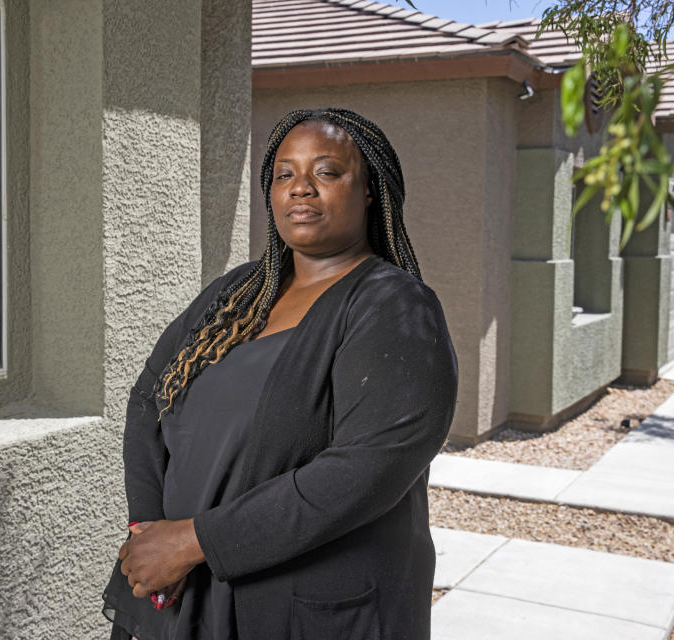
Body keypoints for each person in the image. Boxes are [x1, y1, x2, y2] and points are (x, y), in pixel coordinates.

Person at [102, 107, 458, 640]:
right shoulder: (237, 292)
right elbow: (148, 399)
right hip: (180, 591)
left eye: (326, 172)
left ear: (368, 189)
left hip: (304, 610)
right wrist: (150, 532)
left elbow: (363, 473)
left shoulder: (396, 308)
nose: (301, 189)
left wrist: (192, 542)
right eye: (284, 174)